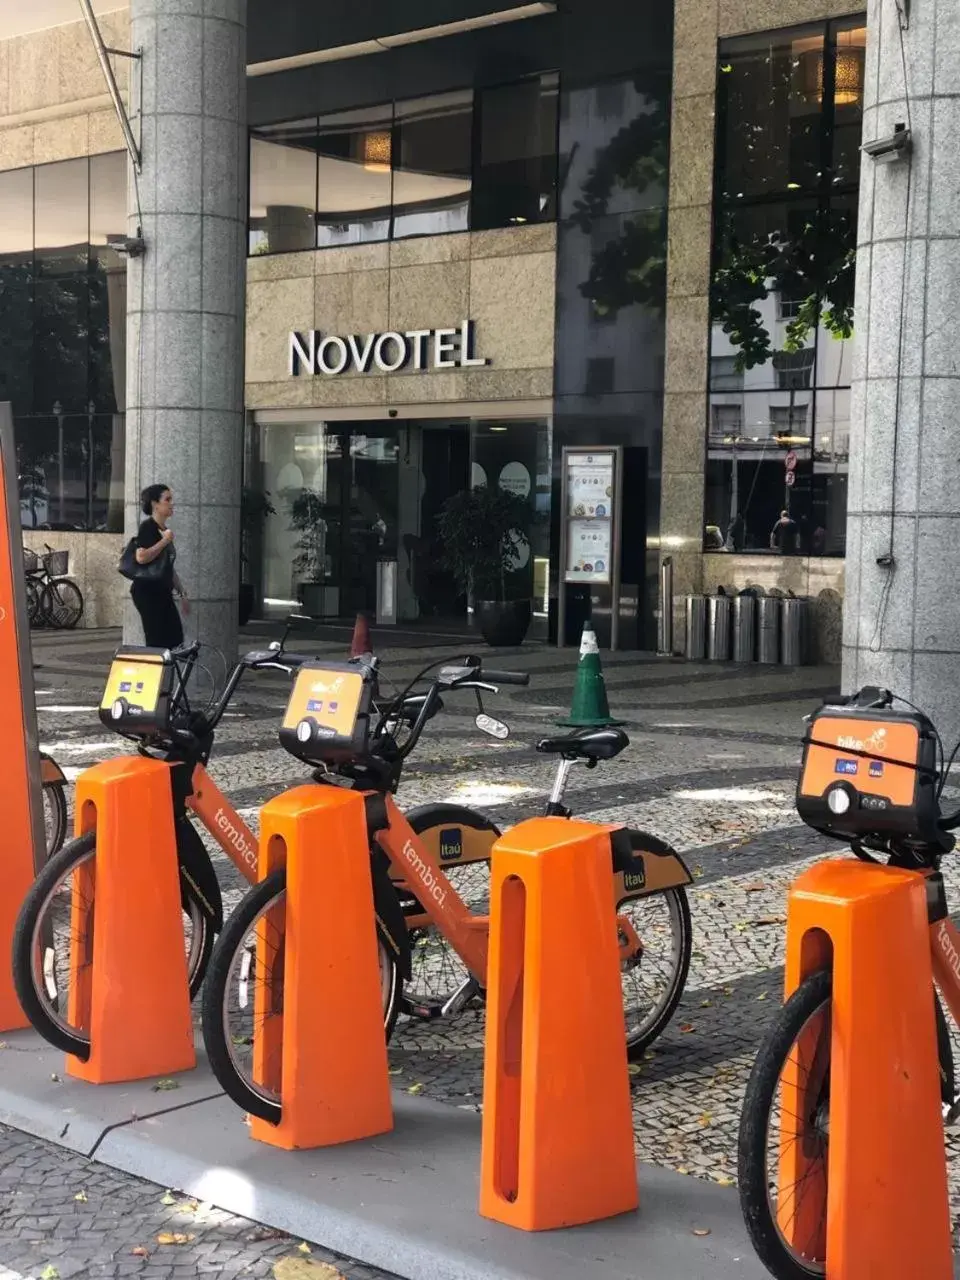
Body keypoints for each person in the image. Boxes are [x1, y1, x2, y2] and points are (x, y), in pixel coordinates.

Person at [131, 484, 190, 648]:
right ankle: (155, 673)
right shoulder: (148, 528)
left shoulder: (164, 530)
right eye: (167, 499)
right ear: (155, 504)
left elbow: (168, 566)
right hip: (148, 593)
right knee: (157, 642)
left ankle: (168, 673)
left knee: (176, 639)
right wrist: (164, 541)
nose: (172, 504)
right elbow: (141, 557)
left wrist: (182, 592)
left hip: (163, 592)